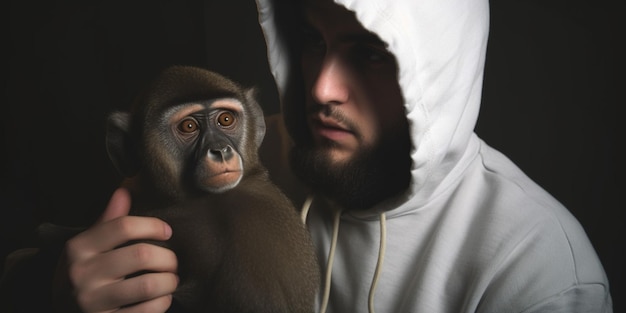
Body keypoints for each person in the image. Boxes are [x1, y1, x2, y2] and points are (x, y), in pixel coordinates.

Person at [1, 0, 613, 312]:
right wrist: (54, 293)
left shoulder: (540, 275)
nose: (320, 89)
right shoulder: (252, 151)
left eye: (371, 53)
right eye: (312, 44)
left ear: (437, 68)